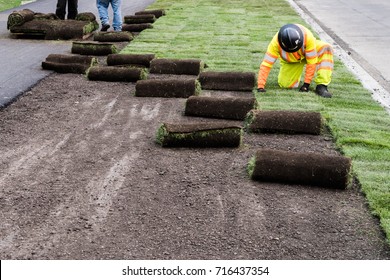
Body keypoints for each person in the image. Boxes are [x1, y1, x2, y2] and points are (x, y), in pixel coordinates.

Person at [257, 23, 334, 98]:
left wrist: (306, 84)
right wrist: (261, 86)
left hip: (309, 52)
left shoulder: (307, 36)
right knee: (286, 85)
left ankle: (322, 86)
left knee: (326, 47)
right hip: (291, 61)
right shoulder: (275, 43)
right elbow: (266, 64)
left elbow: (311, 62)